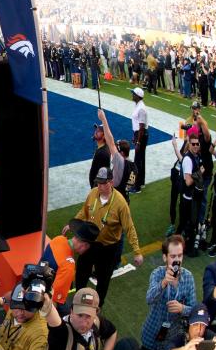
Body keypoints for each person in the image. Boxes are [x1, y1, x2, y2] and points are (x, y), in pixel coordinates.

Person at [67, 167, 143, 303]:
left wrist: (137, 251)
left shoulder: (120, 204)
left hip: (108, 248)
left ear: (111, 182)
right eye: (98, 183)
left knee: (103, 279)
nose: (100, 186)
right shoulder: (92, 194)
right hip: (89, 243)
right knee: (81, 271)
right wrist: (73, 223)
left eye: (103, 183)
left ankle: (98, 306)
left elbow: (129, 228)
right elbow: (84, 211)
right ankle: (78, 299)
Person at [139, 235, 197, 350]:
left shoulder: (188, 278)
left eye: (180, 256)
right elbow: (149, 299)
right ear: (165, 257)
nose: (177, 260)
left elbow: (194, 309)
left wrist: (182, 308)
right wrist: (164, 282)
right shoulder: (157, 274)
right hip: (151, 334)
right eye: (173, 256)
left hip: (172, 338)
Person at [40, 221, 99, 314]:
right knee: (71, 314)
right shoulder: (68, 266)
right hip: (44, 297)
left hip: (38, 281)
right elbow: (54, 300)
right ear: (84, 245)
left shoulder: (58, 239)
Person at [177, 132, 206, 256]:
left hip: (191, 197)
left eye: (197, 144)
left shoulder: (195, 156)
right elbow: (188, 181)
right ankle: (184, 248)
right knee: (187, 223)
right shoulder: (188, 159)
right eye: (193, 144)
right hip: (188, 198)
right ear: (189, 145)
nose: (195, 146)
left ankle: (180, 244)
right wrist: (199, 172)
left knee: (186, 223)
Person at [129, 88, 148, 191]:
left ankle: (136, 187)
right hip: (139, 134)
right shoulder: (138, 105)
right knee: (141, 159)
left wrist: (138, 142)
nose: (132, 95)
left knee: (137, 161)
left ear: (138, 96)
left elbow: (141, 127)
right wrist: (134, 136)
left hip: (141, 135)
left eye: (133, 93)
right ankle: (141, 182)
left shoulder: (141, 108)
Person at [88, 124, 111, 189]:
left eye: (99, 131)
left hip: (98, 188)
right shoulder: (102, 148)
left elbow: (102, 174)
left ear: (104, 136)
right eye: (96, 130)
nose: (96, 131)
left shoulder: (102, 153)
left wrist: (96, 187)